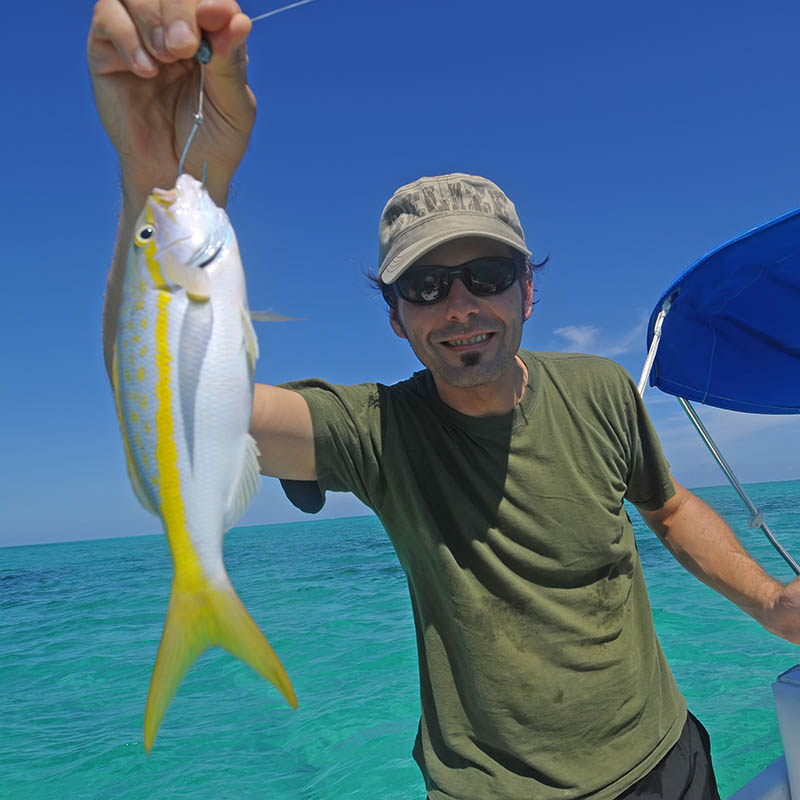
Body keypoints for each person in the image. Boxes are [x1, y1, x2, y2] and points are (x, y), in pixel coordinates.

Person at [89, 3, 800, 797]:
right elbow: (169, 404)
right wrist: (156, 171)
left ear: (528, 292)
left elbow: (667, 508)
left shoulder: (599, 390)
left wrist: (770, 600)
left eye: (487, 276)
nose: (460, 305)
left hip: (667, 762)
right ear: (395, 316)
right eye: (426, 285)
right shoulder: (376, 432)